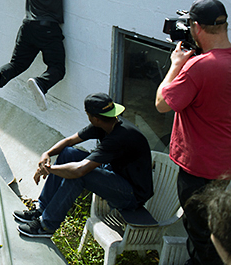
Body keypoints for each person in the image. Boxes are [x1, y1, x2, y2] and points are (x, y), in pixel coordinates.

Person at [155, 0, 231, 265]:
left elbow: (163, 103)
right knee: (217, 234)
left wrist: (176, 63)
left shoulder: (198, 67)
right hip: (225, 171)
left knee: (201, 236)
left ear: (197, 28)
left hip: (198, 172)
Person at [14, 93, 153, 238]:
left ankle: (46, 226)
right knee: (68, 153)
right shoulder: (106, 123)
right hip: (115, 175)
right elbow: (69, 141)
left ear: (93, 117)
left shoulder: (120, 136)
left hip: (131, 194)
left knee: (80, 175)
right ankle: (42, 209)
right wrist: (47, 153)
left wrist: (49, 170)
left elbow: (80, 170)